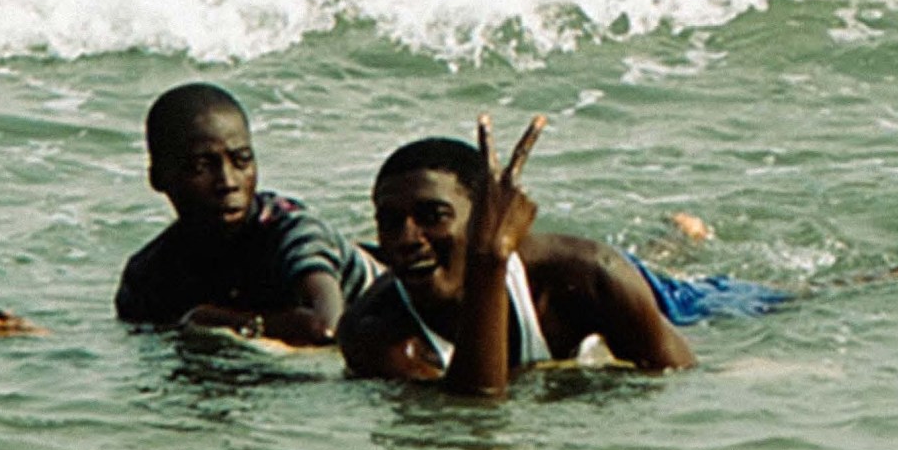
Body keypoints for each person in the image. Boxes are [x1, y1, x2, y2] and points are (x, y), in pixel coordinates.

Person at [340, 116, 787, 394]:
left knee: (793, 298)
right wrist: (488, 263)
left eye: (433, 216)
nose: (406, 238)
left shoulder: (589, 276)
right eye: (390, 220)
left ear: (487, 218)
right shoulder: (372, 329)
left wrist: (491, 258)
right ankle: (672, 240)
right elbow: (474, 418)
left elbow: (682, 381)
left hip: (661, 298)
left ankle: (676, 242)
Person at [115, 81, 379, 345]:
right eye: (201, 166)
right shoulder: (147, 276)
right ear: (158, 177)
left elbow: (326, 328)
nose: (228, 182)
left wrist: (222, 322)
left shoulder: (295, 233)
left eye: (241, 160)